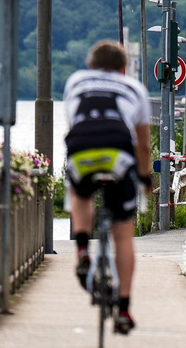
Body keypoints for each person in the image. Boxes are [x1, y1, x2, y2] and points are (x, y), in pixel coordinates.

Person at [64, 40, 152, 335]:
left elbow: (74, 122)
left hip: (81, 149)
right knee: (123, 234)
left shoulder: (76, 81)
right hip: (118, 153)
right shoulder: (135, 88)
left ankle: (81, 251)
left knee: (80, 192)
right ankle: (124, 309)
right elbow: (143, 145)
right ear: (123, 68)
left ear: (90, 65)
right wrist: (145, 179)